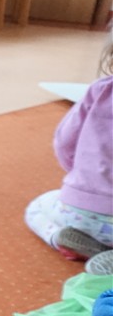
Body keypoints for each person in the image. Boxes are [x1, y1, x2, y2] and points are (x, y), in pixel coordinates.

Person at [24, 38, 113, 263]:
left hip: (81, 215)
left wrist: (80, 174)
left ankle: (58, 237)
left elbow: (65, 141)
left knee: (37, 207)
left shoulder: (100, 90)